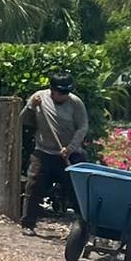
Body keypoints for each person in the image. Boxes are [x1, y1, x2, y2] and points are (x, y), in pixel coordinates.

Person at [19, 71, 89, 232]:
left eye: (66, 93)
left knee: (76, 190)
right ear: (51, 90)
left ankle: (83, 227)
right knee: (34, 187)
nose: (63, 96)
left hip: (69, 154)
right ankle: (28, 224)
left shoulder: (75, 103)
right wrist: (31, 107)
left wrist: (70, 148)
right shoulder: (38, 98)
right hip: (43, 152)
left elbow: (82, 127)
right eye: (60, 93)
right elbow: (23, 121)